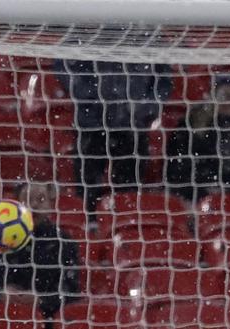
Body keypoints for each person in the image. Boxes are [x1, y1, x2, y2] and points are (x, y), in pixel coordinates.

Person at [56, 60, 173, 224]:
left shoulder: (150, 38)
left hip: (132, 126)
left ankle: (125, 225)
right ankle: (89, 225)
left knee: (128, 191)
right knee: (88, 184)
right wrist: (93, 95)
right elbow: (66, 67)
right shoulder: (84, 34)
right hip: (92, 124)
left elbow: (164, 80)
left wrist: (144, 107)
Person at [0, 180, 82, 321]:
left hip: (43, 323)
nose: (34, 205)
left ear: (51, 204)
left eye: (41, 199)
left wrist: (41, 300)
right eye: (27, 199)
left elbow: (71, 293)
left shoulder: (62, 241)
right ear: (16, 203)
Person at [166, 74, 230, 201]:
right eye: (221, 96)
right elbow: (177, 169)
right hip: (195, 196)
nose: (226, 102)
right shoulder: (189, 124)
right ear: (212, 98)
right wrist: (206, 190)